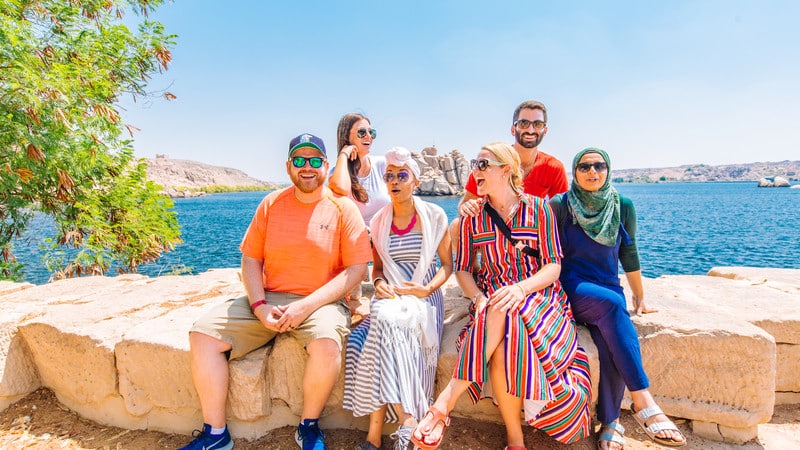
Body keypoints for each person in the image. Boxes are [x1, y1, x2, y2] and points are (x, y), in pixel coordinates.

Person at [179, 133, 372, 450]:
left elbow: (356, 270)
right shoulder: (271, 204)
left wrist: (306, 307)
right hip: (268, 298)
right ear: (288, 167)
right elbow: (251, 258)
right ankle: (215, 435)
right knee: (203, 336)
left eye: (313, 160)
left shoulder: (342, 209)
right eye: (299, 160)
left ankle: (308, 427)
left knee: (326, 345)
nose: (306, 167)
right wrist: (258, 306)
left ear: (325, 165)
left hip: (320, 302)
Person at [411, 142, 592, 450]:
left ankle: (444, 403)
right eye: (473, 164)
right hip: (494, 297)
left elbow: (552, 266)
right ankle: (515, 440)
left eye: (483, 165)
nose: (475, 171)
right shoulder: (472, 217)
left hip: (538, 294)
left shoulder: (538, 209)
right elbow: (464, 270)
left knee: (505, 308)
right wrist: (477, 297)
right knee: (503, 331)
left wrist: (520, 288)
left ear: (506, 171)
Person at [549, 148, 686, 449]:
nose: (592, 171)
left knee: (610, 336)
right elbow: (548, 253)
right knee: (612, 308)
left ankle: (610, 420)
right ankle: (643, 400)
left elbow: (629, 252)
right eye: (585, 166)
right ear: (575, 171)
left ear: (608, 169)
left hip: (608, 288)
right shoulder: (560, 205)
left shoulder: (622, 205)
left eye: (599, 166)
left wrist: (640, 295)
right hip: (572, 286)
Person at [343, 147, 453, 450]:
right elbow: (377, 269)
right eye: (389, 176)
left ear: (415, 181)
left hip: (424, 295)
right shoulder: (378, 221)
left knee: (388, 323)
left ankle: (377, 432)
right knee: (375, 327)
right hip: (389, 295)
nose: (394, 181)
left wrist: (426, 290)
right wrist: (377, 283)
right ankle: (407, 422)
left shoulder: (434, 215)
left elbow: (447, 266)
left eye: (402, 175)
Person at [328, 112, 391, 225]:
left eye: (371, 132)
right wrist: (343, 154)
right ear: (346, 136)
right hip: (359, 240)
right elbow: (340, 188)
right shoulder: (338, 173)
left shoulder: (383, 164)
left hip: (386, 238)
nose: (369, 136)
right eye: (362, 132)